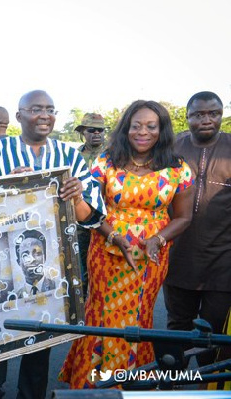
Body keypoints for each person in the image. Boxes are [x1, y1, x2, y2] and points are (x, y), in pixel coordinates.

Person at [0, 90, 106, 399]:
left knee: (39, 344)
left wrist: (76, 196)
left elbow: (91, 218)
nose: (45, 115)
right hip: (2, 264)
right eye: (36, 109)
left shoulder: (69, 156)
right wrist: (2, 186)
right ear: (19, 116)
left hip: (49, 265)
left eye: (50, 109)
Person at [59, 100, 194, 388]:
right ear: (126, 129)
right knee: (101, 314)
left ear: (162, 130)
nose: (142, 132)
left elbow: (183, 217)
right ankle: (90, 385)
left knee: (139, 316)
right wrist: (113, 236)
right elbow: (91, 210)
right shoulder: (105, 161)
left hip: (151, 257)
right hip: (106, 250)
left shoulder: (177, 168)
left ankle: (131, 386)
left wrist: (157, 239)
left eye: (151, 126)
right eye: (136, 125)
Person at [165, 91, 231, 366]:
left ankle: (208, 387)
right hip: (178, 257)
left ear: (221, 115)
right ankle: (174, 382)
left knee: (214, 332)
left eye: (213, 113)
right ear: (188, 116)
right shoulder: (171, 149)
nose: (206, 120)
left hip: (223, 260)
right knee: (176, 328)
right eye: (199, 114)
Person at [74, 112, 107, 298]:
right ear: (82, 132)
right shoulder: (74, 156)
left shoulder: (114, 154)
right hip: (81, 220)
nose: (96, 133)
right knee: (80, 269)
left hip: (107, 220)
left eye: (100, 130)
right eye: (91, 130)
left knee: (103, 269)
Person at [14, 230, 56, 298]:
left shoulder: (56, 286)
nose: (32, 259)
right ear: (19, 262)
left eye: (37, 254)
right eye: (25, 256)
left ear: (44, 257)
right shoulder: (15, 297)